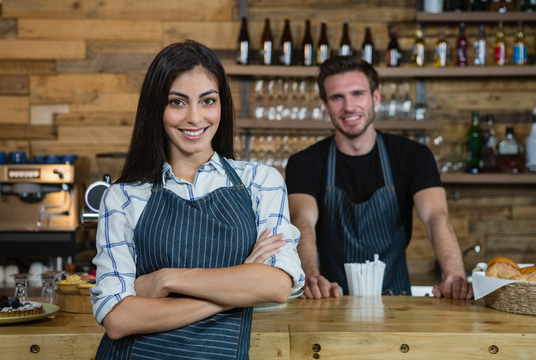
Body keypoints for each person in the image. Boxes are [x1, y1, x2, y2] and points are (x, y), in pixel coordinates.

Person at [91, 40, 305, 360]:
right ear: (156, 110)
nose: (195, 117)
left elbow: (275, 286)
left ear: (222, 106)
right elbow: (119, 319)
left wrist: (166, 279)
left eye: (208, 101)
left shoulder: (260, 182)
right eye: (177, 102)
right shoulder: (122, 197)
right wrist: (241, 283)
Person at [285, 55, 472, 300]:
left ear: (376, 97)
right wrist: (310, 277)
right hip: (329, 298)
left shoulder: (412, 156)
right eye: (337, 97)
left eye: (357, 94)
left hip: (397, 299)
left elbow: (436, 217)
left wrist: (454, 277)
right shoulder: (305, 163)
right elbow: (302, 222)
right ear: (325, 104)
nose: (349, 106)